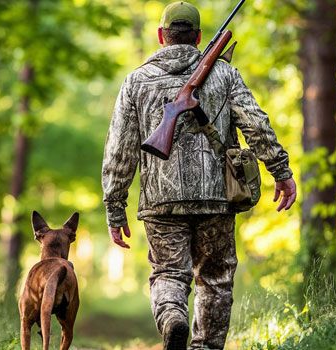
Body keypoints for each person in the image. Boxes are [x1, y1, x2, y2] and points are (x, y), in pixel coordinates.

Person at [101, 2, 297, 349]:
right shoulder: (225, 74)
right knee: (216, 279)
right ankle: (204, 346)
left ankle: (172, 316)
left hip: (161, 203)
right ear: (199, 37)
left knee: (167, 274)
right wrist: (280, 169)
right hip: (217, 198)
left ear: (162, 36)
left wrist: (115, 206)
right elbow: (256, 124)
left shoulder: (136, 81)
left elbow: (119, 150)